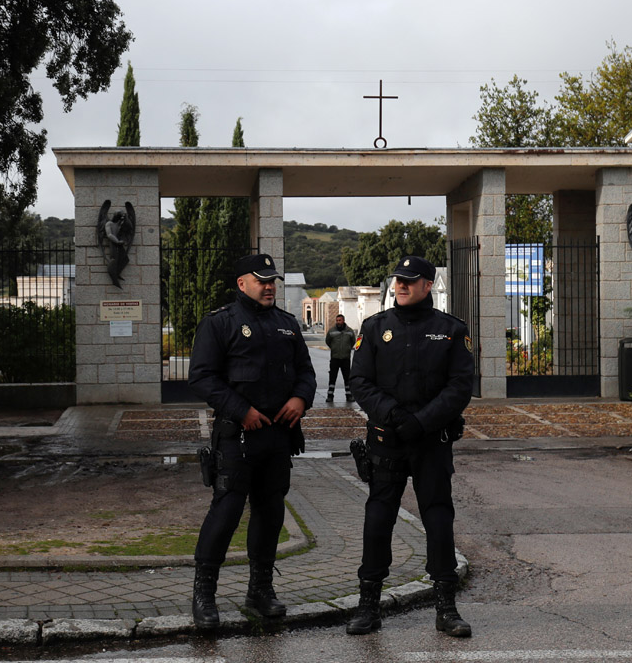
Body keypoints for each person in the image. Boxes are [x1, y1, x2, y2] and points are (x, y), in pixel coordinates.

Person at [345, 255, 474, 638]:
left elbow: (461, 386)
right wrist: (396, 417)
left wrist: (422, 422)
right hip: (387, 441)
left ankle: (446, 608)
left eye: (410, 280)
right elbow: (361, 382)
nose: (401, 285)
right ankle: (368, 606)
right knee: (378, 520)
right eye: (398, 279)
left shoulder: (450, 330)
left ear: (428, 285)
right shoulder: (373, 328)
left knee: (438, 519)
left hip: (431, 443)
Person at [187, 253, 317, 630]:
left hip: (278, 439)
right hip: (237, 438)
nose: (269, 286)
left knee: (270, 514)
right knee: (225, 514)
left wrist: (300, 399)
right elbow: (202, 377)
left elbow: (305, 372)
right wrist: (241, 409)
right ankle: (204, 596)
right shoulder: (220, 323)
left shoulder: (287, 324)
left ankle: (260, 590)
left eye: (273, 280)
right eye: (261, 280)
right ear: (242, 283)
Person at [324, 313, 357, 402]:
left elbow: (353, 341)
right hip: (335, 357)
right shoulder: (331, 331)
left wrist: (347, 349)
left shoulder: (349, 331)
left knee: (347, 377)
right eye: (337, 320)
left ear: (343, 321)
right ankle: (330, 395)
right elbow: (328, 341)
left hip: (346, 358)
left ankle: (349, 395)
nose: (338, 322)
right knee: (332, 377)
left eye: (340, 320)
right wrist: (334, 348)